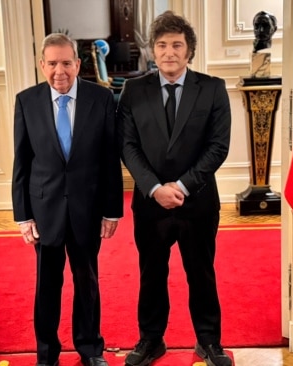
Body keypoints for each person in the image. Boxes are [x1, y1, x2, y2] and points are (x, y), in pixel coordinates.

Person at [117, 11, 232, 366]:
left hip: (196, 202)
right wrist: (154, 188)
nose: (169, 52)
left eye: (177, 45)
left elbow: (218, 146)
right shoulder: (133, 90)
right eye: (162, 45)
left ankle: (209, 342)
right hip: (150, 205)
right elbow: (127, 145)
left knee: (201, 272)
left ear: (189, 50)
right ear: (152, 50)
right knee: (152, 274)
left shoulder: (212, 88)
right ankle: (151, 340)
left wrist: (181, 186)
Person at [12, 33, 123, 366]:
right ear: (41, 65)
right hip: (44, 211)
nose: (59, 71)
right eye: (52, 63)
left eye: (65, 63)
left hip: (87, 210)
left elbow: (109, 160)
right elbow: (22, 162)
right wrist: (23, 216)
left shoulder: (101, 99)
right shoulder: (26, 101)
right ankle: (47, 354)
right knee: (47, 286)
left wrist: (112, 211)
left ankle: (90, 349)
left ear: (78, 64)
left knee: (87, 283)